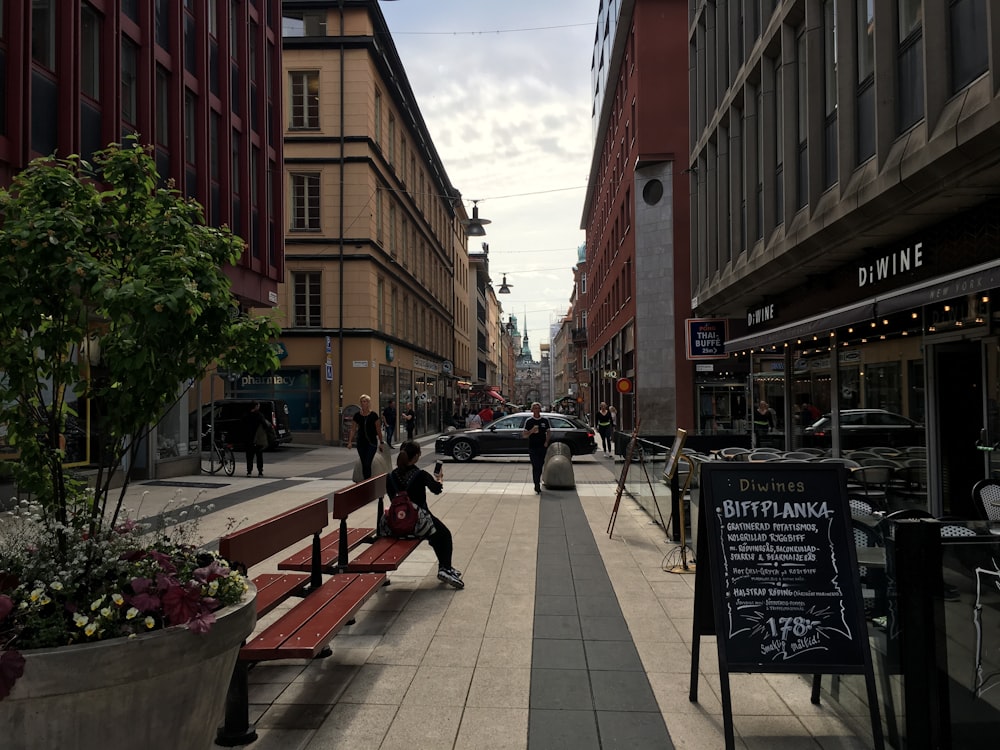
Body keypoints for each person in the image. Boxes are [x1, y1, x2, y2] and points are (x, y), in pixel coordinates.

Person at [388, 441, 463, 588]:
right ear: (416, 457)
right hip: (418, 521)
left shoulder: (391, 476)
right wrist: (439, 477)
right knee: (444, 534)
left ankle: (445, 567)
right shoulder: (420, 474)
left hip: (397, 522)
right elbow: (436, 489)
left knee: (436, 535)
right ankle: (445, 568)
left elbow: (392, 499)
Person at [346, 394, 383, 479]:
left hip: (372, 442)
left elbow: (378, 430)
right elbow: (353, 429)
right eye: (362, 402)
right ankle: (366, 481)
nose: (363, 403)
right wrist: (350, 442)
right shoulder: (357, 416)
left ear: (368, 403)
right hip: (361, 442)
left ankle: (367, 481)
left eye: (365, 401)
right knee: (364, 463)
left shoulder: (374, 415)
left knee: (367, 462)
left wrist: (381, 442)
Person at [522, 401, 550, 494]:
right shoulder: (529, 421)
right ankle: (536, 484)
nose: (536, 410)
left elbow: (549, 432)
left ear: (540, 409)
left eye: (538, 408)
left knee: (540, 465)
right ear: (532, 410)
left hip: (542, 446)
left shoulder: (544, 420)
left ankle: (538, 481)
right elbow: (524, 435)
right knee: (535, 465)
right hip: (533, 447)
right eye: (535, 408)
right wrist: (531, 431)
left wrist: (546, 442)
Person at [241, 401, 272, 477]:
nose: (259, 407)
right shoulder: (259, 415)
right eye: (258, 406)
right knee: (259, 456)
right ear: (255, 406)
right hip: (258, 439)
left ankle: (249, 472)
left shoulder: (246, 415)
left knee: (249, 456)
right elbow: (265, 426)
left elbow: (242, 426)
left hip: (248, 439)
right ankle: (260, 472)